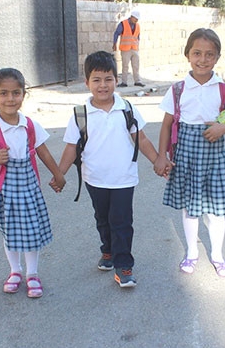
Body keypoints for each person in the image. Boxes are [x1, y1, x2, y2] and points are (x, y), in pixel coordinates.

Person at [57, 51, 167, 288]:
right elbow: (71, 148)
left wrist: (157, 160)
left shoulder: (126, 109)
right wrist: (59, 174)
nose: (103, 85)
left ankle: (123, 266)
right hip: (94, 179)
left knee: (122, 222)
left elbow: (142, 139)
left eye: (108, 79)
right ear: (87, 82)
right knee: (102, 219)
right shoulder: (80, 114)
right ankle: (107, 250)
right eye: (96, 80)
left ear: (116, 80)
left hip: (123, 179)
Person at [0, 68, 66, 298]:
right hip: (3, 191)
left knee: (31, 231)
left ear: (24, 94)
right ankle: (15, 271)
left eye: (16, 93)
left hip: (29, 189)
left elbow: (43, 152)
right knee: (10, 232)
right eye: (3, 93)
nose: (10, 99)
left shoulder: (30, 125)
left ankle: (32, 273)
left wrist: (58, 174)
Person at [154, 28, 225, 278]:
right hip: (186, 157)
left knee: (215, 210)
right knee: (189, 208)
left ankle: (218, 256)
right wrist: (161, 156)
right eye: (197, 53)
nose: (203, 59)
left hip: (214, 159)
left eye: (209, 54)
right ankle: (192, 252)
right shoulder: (178, 90)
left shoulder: (224, 90)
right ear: (188, 55)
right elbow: (167, 125)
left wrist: (223, 128)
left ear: (217, 57)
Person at [112, 10, 145, 88]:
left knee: (136, 65)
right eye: (136, 18)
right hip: (125, 49)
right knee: (125, 66)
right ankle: (124, 82)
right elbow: (116, 33)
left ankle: (137, 81)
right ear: (132, 17)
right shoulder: (123, 24)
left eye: (137, 19)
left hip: (134, 49)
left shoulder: (137, 25)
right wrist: (114, 43)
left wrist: (137, 46)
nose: (137, 20)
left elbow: (138, 37)